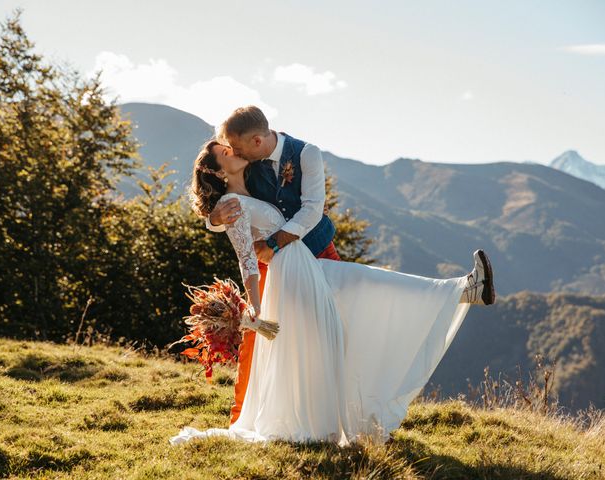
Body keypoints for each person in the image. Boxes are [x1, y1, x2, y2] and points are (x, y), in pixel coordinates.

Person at [169, 136, 496, 446]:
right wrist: (255, 309)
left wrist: (214, 216)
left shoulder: (255, 177)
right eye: (224, 151)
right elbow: (246, 261)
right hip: (290, 274)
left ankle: (461, 290)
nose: (231, 148)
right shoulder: (230, 204)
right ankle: (460, 291)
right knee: (350, 304)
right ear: (216, 170)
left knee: (360, 292)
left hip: (304, 264)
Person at [203, 106, 343, 425]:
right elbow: (226, 195)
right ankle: (245, 414)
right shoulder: (245, 162)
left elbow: (311, 211)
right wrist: (214, 220)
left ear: (256, 140)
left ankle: (334, 409)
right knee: (262, 336)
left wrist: (273, 243)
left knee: (335, 320)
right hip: (274, 267)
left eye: (236, 148)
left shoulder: (307, 154)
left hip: (317, 249)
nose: (233, 153)